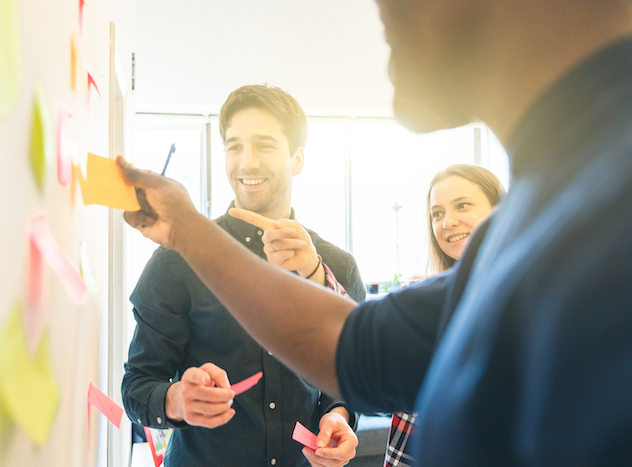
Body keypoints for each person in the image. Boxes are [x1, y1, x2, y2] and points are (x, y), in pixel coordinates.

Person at [117, 2, 632, 464]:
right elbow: (354, 347)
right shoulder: (523, 229)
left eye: (265, 145)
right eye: (234, 146)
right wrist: (186, 230)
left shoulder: (603, 208)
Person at [121, 84, 364, 467]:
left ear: (297, 158)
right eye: (234, 146)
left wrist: (339, 415)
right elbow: (136, 386)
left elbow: (352, 377)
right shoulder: (176, 259)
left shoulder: (337, 267)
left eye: (264, 145)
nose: (246, 162)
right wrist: (176, 400)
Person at [384, 164, 506, 466]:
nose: (447, 222)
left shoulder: (524, 299)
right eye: (437, 213)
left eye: (462, 205)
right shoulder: (425, 297)